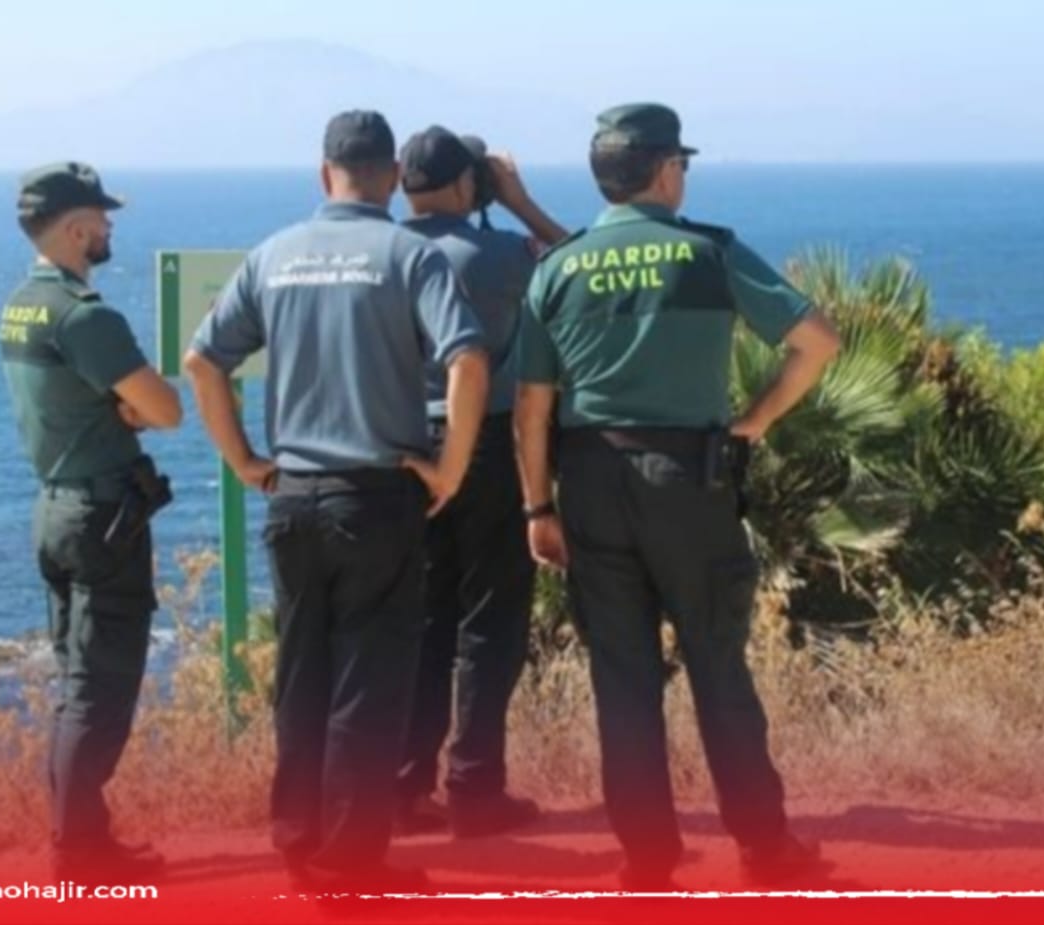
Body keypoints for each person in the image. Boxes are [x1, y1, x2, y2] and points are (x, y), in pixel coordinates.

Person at [513, 104, 841, 890]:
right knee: (717, 666)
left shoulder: (558, 268)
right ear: (666, 171)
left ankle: (647, 862)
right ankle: (765, 849)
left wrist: (538, 508)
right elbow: (817, 340)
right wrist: (757, 418)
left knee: (622, 681)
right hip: (689, 480)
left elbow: (531, 406)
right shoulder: (707, 252)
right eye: (682, 164)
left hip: (591, 482)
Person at [184, 111, 489, 892]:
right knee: (368, 684)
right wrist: (450, 470)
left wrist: (245, 460)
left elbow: (202, 361)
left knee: (302, 678)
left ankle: (299, 842)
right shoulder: (410, 255)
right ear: (392, 177)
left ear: (324, 174)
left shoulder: (272, 255)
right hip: (376, 496)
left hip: (293, 496)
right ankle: (352, 865)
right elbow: (467, 360)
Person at [0, 161, 182, 881]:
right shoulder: (86, 315)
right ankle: (77, 854)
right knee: (99, 694)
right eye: (102, 218)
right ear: (76, 228)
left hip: (55, 508)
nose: (109, 228)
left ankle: (84, 838)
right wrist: (130, 407)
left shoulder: (21, 304)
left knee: (77, 685)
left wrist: (119, 406)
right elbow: (166, 409)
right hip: (103, 518)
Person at [391, 126, 568, 838]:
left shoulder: (385, 252)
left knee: (423, 620)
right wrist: (518, 201)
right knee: (490, 619)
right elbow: (574, 265)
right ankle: (475, 784)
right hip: (488, 446)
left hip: (405, 450)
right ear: (469, 184)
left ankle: (404, 787)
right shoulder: (498, 255)